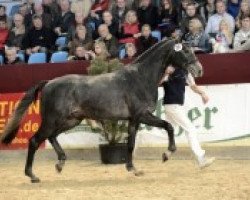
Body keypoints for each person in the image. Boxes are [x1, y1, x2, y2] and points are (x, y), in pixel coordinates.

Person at [160, 65, 215, 169]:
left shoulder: (185, 72)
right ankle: (200, 158)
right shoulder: (168, 67)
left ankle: (168, 151)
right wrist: (166, 73)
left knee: (167, 131)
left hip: (173, 106)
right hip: (172, 105)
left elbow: (193, 86)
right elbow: (158, 82)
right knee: (190, 129)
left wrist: (203, 93)